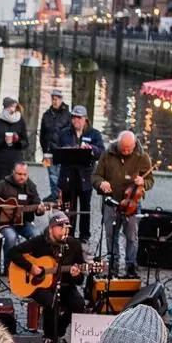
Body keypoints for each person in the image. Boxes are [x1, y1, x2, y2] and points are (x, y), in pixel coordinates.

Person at [9, 210, 87, 343]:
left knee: (79, 303)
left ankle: (59, 331)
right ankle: (50, 337)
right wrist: (31, 267)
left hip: (64, 284)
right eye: (61, 227)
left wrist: (77, 274)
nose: (65, 231)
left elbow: (80, 280)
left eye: (67, 228)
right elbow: (13, 252)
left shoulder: (74, 245)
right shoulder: (39, 242)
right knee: (51, 301)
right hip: (40, 286)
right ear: (51, 228)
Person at [92, 130, 153, 277]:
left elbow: (150, 180)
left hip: (132, 204)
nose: (126, 151)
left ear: (134, 145)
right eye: (123, 148)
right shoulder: (108, 154)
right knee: (111, 236)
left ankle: (131, 266)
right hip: (111, 202)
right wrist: (101, 183)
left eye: (129, 149)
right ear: (119, 144)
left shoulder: (142, 157)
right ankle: (113, 265)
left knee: (132, 237)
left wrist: (143, 182)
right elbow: (95, 175)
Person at [55, 105, 105, 245]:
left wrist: (92, 149)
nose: (76, 120)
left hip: (85, 175)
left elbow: (101, 151)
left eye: (79, 118)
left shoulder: (94, 134)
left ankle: (84, 235)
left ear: (85, 119)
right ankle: (67, 232)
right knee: (68, 206)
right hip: (68, 174)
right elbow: (57, 151)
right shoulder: (64, 133)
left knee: (85, 207)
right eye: (74, 117)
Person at [0, 160, 45, 259]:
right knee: (11, 237)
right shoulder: (3, 184)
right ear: (13, 172)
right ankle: (8, 267)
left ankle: (30, 265)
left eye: (25, 174)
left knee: (36, 235)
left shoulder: (31, 186)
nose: (22, 177)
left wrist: (40, 210)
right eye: (19, 174)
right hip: (5, 223)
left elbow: (37, 205)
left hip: (24, 222)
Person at [39, 90, 72, 199]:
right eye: (53, 99)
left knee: (60, 174)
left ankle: (60, 194)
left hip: (61, 150)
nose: (55, 101)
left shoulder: (68, 115)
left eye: (57, 99)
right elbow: (42, 134)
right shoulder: (46, 115)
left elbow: (70, 134)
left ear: (61, 100)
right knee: (51, 174)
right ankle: (54, 194)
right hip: (48, 150)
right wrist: (44, 150)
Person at [0, 97, 28, 180]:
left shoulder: (21, 122)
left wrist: (17, 141)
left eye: (14, 106)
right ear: (5, 108)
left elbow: (26, 142)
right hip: (1, 161)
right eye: (10, 106)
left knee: (15, 187)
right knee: (1, 188)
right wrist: (3, 141)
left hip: (16, 160)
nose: (12, 109)